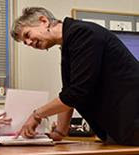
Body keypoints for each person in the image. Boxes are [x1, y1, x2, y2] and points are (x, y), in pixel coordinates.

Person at [11, 7, 139, 145]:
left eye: (27, 35)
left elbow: (76, 93)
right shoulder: (70, 44)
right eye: (25, 43)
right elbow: (68, 93)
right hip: (120, 126)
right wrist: (60, 132)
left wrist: (37, 115)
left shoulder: (83, 34)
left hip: (132, 120)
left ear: (44, 21)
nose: (29, 43)